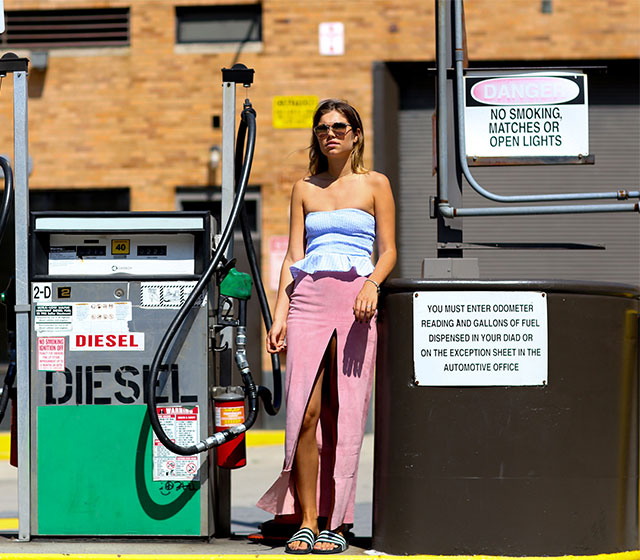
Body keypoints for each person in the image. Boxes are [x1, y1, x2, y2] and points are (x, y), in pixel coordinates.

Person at [257, 99, 396, 554]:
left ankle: (338, 523)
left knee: (345, 415)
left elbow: (389, 249)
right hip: (309, 302)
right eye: (321, 128)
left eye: (339, 126)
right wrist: (279, 313)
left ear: (356, 133)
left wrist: (373, 284)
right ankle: (307, 520)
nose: (330, 133)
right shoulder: (303, 188)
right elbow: (293, 256)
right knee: (304, 413)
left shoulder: (376, 184)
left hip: (356, 303)